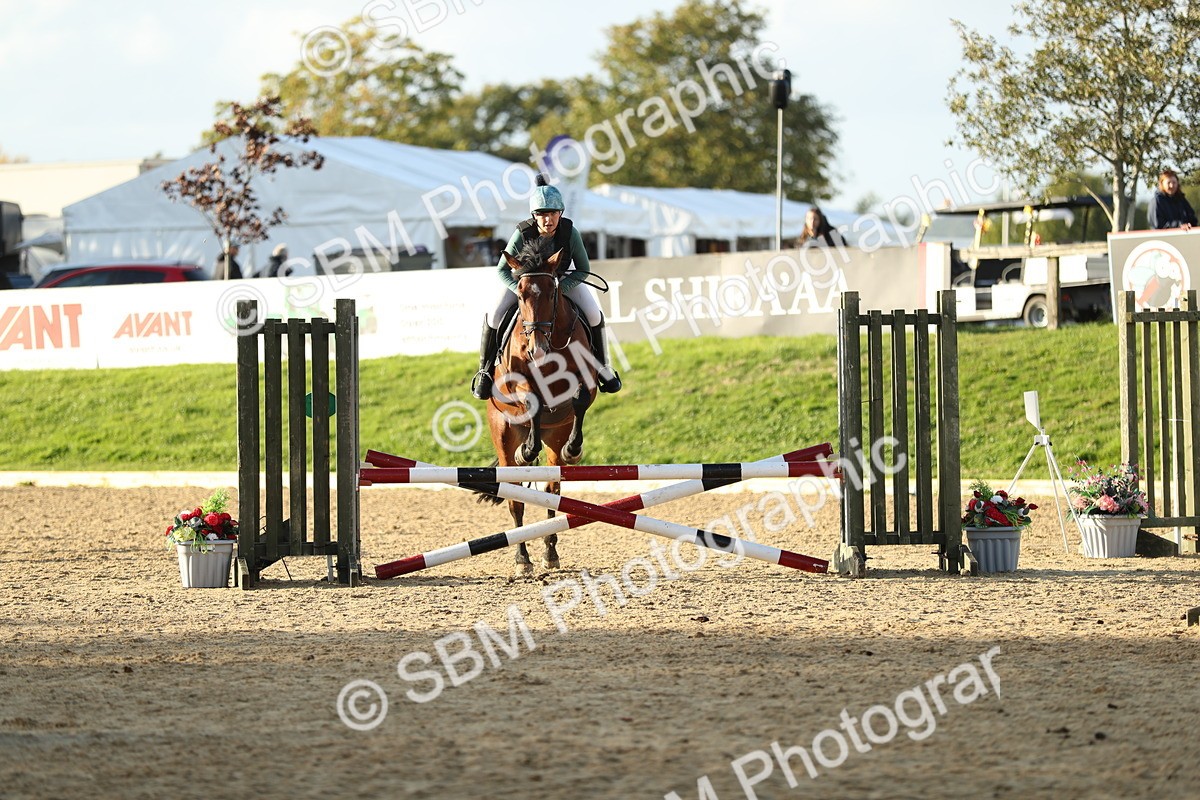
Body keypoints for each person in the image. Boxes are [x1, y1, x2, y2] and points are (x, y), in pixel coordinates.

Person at [471, 175, 621, 399]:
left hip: (563, 279)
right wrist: (522, 291)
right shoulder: (522, 233)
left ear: (560, 213)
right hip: (525, 283)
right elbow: (502, 270)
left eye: (553, 213)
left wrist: (559, 289)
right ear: (534, 216)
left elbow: (583, 269)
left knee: (593, 314)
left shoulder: (570, 233)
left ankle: (603, 368)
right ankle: (485, 371)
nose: (548, 220)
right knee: (494, 316)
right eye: (542, 214)